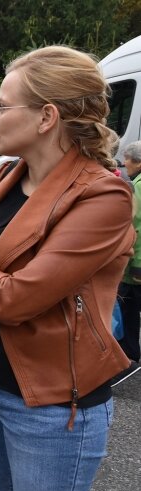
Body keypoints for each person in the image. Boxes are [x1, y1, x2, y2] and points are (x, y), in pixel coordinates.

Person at [0, 46, 135, 491]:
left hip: (49, 406)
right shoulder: (7, 175)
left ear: (47, 116)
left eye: (1, 107)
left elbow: (16, 298)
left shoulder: (104, 195)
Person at [117, 141, 141, 372]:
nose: (125, 164)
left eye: (128, 159)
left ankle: (130, 354)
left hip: (136, 261)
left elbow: (132, 224)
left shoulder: (138, 186)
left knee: (130, 308)